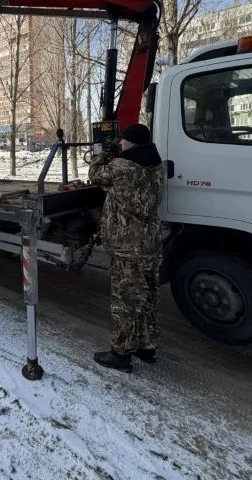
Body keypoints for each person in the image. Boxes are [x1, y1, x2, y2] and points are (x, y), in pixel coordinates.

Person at [88, 123, 163, 372]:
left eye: (122, 141)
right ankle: (146, 346)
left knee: (124, 301)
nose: (120, 144)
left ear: (130, 142)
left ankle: (120, 354)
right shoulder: (155, 166)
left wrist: (102, 151)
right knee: (146, 297)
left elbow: (95, 174)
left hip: (126, 248)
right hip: (149, 245)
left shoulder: (122, 167)